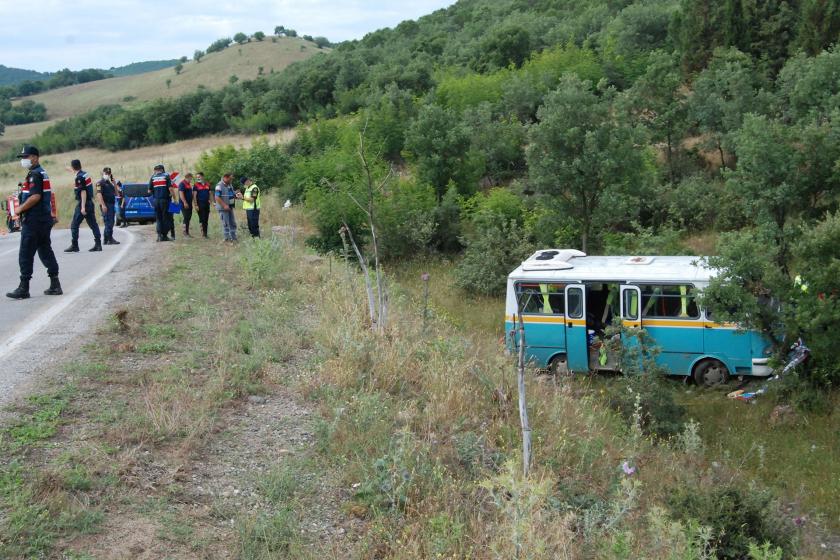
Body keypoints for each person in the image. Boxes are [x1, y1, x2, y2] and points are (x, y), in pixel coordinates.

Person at [6, 145, 62, 299]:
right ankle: (55, 283)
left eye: (26, 157)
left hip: (34, 220)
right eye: (23, 157)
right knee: (45, 249)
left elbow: (35, 197)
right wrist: (51, 214)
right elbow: (46, 196)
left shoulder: (35, 175)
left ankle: (24, 288)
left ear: (35, 157)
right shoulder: (41, 173)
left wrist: (19, 210)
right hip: (43, 219)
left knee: (26, 252)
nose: (24, 160)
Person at [66, 159, 102, 252]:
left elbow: (83, 191)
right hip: (90, 203)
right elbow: (78, 175)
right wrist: (70, 169)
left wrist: (82, 207)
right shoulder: (85, 174)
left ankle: (75, 245)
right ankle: (98, 245)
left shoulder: (79, 178)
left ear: (74, 167)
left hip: (84, 203)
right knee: (93, 224)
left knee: (74, 225)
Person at [149, 163, 174, 242]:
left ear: (156, 170)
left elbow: (149, 191)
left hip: (156, 201)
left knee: (158, 218)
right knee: (165, 218)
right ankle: (165, 236)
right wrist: (175, 198)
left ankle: (159, 236)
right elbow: (170, 189)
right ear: (162, 169)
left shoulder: (152, 177)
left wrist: (155, 192)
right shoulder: (166, 176)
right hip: (165, 200)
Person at [214, 173, 240, 242]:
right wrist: (224, 205)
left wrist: (236, 194)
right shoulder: (219, 186)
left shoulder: (229, 185)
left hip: (230, 207)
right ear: (225, 177)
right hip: (223, 208)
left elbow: (231, 194)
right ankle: (227, 238)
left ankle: (233, 237)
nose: (231, 180)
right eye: (230, 179)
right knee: (226, 223)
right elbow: (217, 197)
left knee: (232, 223)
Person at [97, 167, 120, 245]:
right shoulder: (100, 183)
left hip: (111, 204)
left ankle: (106, 239)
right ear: (103, 173)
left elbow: (117, 194)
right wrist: (103, 205)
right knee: (108, 222)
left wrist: (114, 183)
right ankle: (109, 239)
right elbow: (99, 194)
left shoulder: (109, 183)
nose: (107, 175)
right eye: (106, 173)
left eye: (109, 174)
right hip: (105, 204)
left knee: (110, 222)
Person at [194, 172, 212, 238]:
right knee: (202, 218)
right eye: (197, 177)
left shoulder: (207, 184)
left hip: (207, 204)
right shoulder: (196, 185)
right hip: (200, 204)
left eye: (199, 177)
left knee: (206, 219)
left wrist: (212, 201)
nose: (198, 178)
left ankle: (205, 233)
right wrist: (196, 205)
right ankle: (204, 233)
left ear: (202, 177)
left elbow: (210, 193)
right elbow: (194, 196)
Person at [178, 173, 194, 237]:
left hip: (189, 203)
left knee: (189, 217)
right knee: (186, 217)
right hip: (184, 204)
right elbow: (181, 194)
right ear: (188, 177)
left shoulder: (188, 184)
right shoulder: (182, 184)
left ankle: (187, 232)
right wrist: (184, 202)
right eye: (191, 178)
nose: (191, 179)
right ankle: (185, 232)